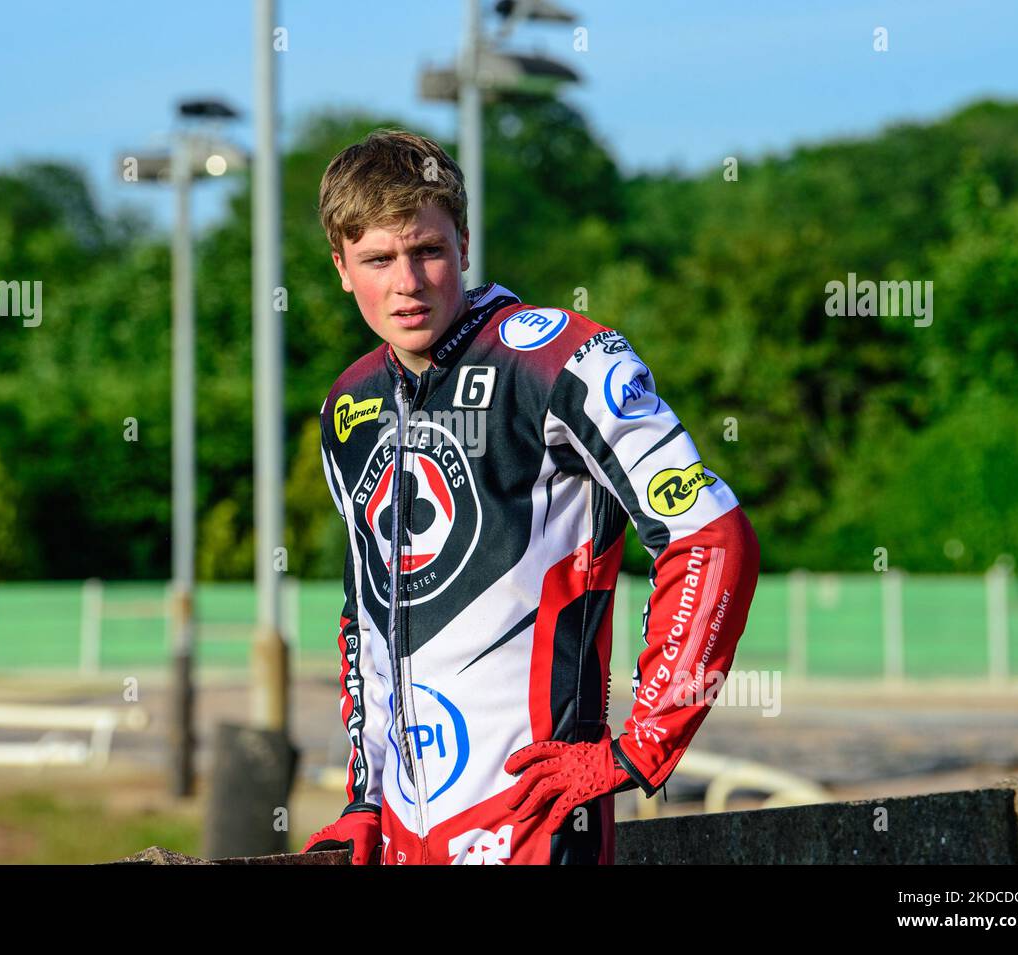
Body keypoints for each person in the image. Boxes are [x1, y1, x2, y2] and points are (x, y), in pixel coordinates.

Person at [301, 128, 759, 865]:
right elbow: (366, 623)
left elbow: (710, 534)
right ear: (341, 267)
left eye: (427, 250)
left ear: (465, 244)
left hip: (538, 824)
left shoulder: (565, 358)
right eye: (378, 259)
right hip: (406, 838)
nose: (407, 282)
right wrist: (363, 797)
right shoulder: (347, 406)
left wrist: (641, 745)